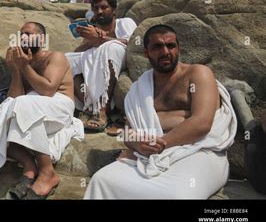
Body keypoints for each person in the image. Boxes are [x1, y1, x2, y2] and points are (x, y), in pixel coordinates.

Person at [84, 25, 237, 199]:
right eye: (157, 47)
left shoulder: (198, 74)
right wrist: (137, 145)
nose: (165, 51)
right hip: (150, 154)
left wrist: (158, 145)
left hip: (200, 151)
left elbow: (201, 123)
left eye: (170, 46)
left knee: (177, 195)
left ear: (178, 49)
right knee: (102, 180)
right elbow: (128, 132)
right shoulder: (140, 88)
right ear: (146, 52)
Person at [0, 22, 84, 199]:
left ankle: (47, 173)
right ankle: (29, 165)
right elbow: (14, 98)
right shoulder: (23, 62)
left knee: (23, 105)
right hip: (29, 107)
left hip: (58, 107)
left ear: (41, 39)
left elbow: (48, 90)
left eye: (29, 34)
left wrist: (25, 67)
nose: (24, 38)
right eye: (22, 35)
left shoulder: (54, 57)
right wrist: (16, 70)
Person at [65, 0, 137, 133]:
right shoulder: (94, 28)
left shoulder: (125, 23)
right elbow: (77, 51)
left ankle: (102, 109)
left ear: (114, 9)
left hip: (118, 56)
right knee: (66, 59)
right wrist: (90, 39)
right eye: (96, 8)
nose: (99, 11)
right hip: (97, 57)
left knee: (109, 47)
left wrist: (101, 41)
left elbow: (131, 43)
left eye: (104, 7)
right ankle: (89, 107)